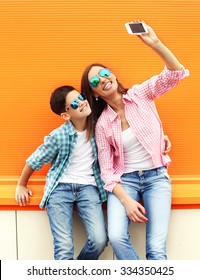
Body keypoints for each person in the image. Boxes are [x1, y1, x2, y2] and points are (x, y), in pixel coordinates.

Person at [81, 21, 189, 260]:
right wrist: (127, 201)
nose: (102, 80)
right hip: (125, 182)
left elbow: (175, 74)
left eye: (104, 73)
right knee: (117, 237)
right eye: (95, 82)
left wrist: (155, 43)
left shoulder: (141, 94)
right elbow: (107, 172)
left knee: (156, 250)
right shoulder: (101, 125)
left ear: (114, 75)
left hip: (156, 177)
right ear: (95, 94)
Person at [15, 85, 107, 260]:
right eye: (74, 104)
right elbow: (34, 160)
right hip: (60, 188)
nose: (81, 102)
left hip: (88, 188)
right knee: (64, 247)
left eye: (80, 97)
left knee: (99, 240)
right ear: (65, 115)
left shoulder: (98, 129)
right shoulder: (59, 136)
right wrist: (21, 184)